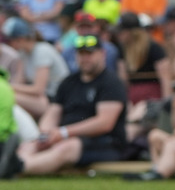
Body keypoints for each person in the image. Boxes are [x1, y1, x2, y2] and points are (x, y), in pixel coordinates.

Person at [3, 34, 128, 177]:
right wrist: (46, 133)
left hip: (105, 142)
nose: (85, 58)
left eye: (90, 54)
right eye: (81, 54)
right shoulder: (69, 82)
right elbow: (53, 111)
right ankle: (12, 163)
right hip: (66, 136)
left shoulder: (111, 83)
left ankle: (17, 167)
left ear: (102, 54)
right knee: (30, 145)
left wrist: (64, 132)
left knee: (67, 147)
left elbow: (105, 123)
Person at [2, 17, 69, 120]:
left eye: (10, 40)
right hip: (42, 98)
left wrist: (7, 87)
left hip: (57, 100)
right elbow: (19, 81)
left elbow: (38, 89)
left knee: (6, 96)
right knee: (6, 94)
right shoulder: (23, 53)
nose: (9, 44)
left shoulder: (42, 50)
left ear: (20, 39)